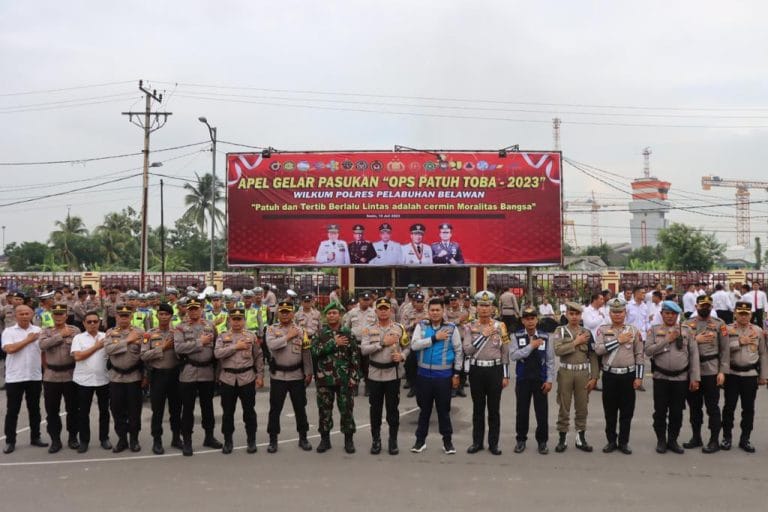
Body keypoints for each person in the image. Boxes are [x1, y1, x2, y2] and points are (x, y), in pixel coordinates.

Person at [645, 300, 700, 454]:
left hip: (681, 378)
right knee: (660, 411)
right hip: (661, 377)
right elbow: (648, 351)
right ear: (662, 314)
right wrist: (666, 340)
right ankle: (661, 440)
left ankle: (673, 440)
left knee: (677, 411)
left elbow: (694, 355)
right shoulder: (654, 330)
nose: (670, 316)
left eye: (673, 314)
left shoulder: (687, 331)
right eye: (667, 313)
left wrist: (695, 378)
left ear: (678, 315)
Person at [410, 297, 463, 454]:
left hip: (444, 376)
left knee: (443, 411)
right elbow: (414, 345)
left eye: (438, 310)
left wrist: (457, 374)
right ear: (428, 311)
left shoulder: (452, 328)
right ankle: (420, 441)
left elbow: (459, 351)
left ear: (443, 311)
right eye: (432, 310)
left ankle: (447, 442)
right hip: (424, 376)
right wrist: (434, 338)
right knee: (424, 410)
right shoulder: (421, 326)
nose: (434, 313)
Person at [360, 297, 409, 455]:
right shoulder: (368, 329)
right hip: (374, 374)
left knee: (392, 409)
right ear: (376, 311)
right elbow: (364, 350)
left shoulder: (399, 328)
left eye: (385, 308)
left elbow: (407, 347)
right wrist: (382, 343)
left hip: (392, 374)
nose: (383, 311)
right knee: (375, 409)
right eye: (380, 308)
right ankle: (376, 440)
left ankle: (392, 440)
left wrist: (402, 356)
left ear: (391, 310)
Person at [462, 291, 510, 455]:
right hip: (477, 370)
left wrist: (505, 375)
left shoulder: (500, 326)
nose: (484, 309)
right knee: (478, 408)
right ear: (476, 308)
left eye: (487, 305)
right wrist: (483, 335)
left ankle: (493, 443)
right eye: (481, 305)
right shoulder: (470, 326)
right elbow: (467, 350)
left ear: (493, 308)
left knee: (494, 409)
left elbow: (505, 352)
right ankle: (477, 442)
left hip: (495, 370)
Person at [173, 297, 222, 456]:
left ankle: (209, 437)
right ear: (186, 310)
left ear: (201, 309)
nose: (194, 311)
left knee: (207, 407)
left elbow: (217, 347)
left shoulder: (210, 326)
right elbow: (179, 348)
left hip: (207, 372)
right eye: (191, 308)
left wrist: (217, 373)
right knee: (187, 409)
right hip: (189, 371)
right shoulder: (180, 328)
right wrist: (199, 342)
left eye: (196, 308)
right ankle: (187, 440)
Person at [594, 299, 644, 454]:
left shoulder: (634, 331)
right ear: (610, 313)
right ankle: (611, 441)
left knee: (627, 412)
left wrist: (639, 377)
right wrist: (618, 340)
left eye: (620, 312)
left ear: (625, 313)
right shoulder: (602, 330)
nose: (617, 315)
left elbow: (639, 355)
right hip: (610, 376)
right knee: (610, 411)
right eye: (614, 312)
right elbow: (598, 350)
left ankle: (623, 442)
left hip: (628, 376)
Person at [312, 302, 361, 453]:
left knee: (346, 410)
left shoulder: (348, 333)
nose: (332, 315)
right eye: (329, 313)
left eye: (334, 313)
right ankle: (325, 440)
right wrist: (334, 343)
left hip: (344, 380)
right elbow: (314, 352)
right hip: (324, 380)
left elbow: (355, 357)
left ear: (340, 315)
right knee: (324, 410)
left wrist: (354, 378)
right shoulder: (319, 334)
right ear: (325, 316)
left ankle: (348, 440)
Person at [682, 294, 729, 453]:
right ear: (696, 306)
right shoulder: (687, 325)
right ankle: (696, 437)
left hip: (711, 370)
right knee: (694, 407)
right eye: (702, 305)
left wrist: (722, 371)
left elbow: (725, 350)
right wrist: (696, 339)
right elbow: (681, 346)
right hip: (693, 371)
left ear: (712, 307)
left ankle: (714, 440)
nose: (705, 308)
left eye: (708, 306)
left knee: (712, 408)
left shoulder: (719, 324)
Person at [265, 300, 314, 453]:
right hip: (278, 376)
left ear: (293, 313)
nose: (285, 314)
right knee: (275, 409)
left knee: (300, 408)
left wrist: (309, 371)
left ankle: (303, 437)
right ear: (278, 313)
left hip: (296, 376)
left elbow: (306, 353)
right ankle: (273, 439)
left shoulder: (301, 331)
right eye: (282, 312)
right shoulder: (271, 329)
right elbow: (271, 345)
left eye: (288, 312)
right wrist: (288, 336)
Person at [214, 307, 264, 454]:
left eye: (239, 319)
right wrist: (236, 347)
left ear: (244, 320)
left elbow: (259, 357)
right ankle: (228, 441)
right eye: (233, 319)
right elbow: (217, 353)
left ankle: (251, 440)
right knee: (227, 412)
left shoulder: (251, 336)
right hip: (228, 379)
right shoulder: (222, 336)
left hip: (247, 377)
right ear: (229, 320)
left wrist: (260, 376)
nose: (236, 322)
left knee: (249, 411)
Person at [552, 302, 600, 453]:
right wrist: (576, 342)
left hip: (582, 373)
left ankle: (581, 438)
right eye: (571, 314)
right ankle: (562, 438)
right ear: (566, 314)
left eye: (577, 314)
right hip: (566, 372)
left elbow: (592, 356)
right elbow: (557, 350)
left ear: (581, 316)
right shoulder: (560, 331)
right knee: (564, 406)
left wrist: (594, 377)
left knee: (582, 406)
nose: (574, 317)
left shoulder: (587, 333)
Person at [721, 301, 768, 452]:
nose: (743, 317)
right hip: (733, 374)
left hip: (750, 375)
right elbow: (722, 351)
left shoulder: (758, 330)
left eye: (746, 314)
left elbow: (763, 354)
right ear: (735, 313)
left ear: (751, 315)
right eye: (740, 313)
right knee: (729, 407)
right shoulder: (727, 329)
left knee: (748, 409)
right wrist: (739, 343)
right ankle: (727, 438)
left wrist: (763, 375)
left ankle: (745, 439)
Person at [2, 304, 48, 454]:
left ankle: (36, 437)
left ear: (32, 314)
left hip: (34, 375)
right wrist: (28, 340)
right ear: (15, 315)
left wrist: (46, 370)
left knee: (34, 408)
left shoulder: (38, 331)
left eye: (26, 313)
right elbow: (9, 349)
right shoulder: (9, 331)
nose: (24, 316)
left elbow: (43, 353)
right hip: (15, 376)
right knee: (13, 410)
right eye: (20, 313)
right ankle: (10, 441)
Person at [510, 306, 555, 454]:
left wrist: (549, 380)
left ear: (537, 320)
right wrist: (531, 346)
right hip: (523, 379)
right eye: (527, 319)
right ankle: (521, 440)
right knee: (521, 411)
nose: (530, 322)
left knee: (542, 413)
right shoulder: (516, 336)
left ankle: (542, 442)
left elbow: (550, 360)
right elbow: (514, 355)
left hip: (540, 380)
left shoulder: (545, 336)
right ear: (523, 321)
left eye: (533, 319)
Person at [140, 303, 182, 455]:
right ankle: (157, 440)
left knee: (176, 409)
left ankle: (177, 438)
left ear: (171, 316)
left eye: (167, 314)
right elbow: (143, 355)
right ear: (157, 316)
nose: (163, 317)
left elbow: (184, 353)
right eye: (161, 314)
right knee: (157, 410)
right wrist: (162, 348)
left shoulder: (177, 333)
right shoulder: (149, 334)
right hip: (157, 375)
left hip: (175, 375)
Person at [39, 302, 81, 453]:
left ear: (66, 315)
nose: (58, 317)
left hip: (71, 375)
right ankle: (55, 440)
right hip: (51, 376)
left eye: (61, 314)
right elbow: (42, 345)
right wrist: (60, 336)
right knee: (52, 411)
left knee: (73, 409)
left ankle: (73, 438)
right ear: (52, 315)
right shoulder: (46, 331)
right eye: (56, 314)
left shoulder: (75, 330)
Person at [104, 304, 145, 453]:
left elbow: (145, 355)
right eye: (121, 315)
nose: (123, 318)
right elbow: (108, 349)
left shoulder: (140, 332)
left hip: (134, 376)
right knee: (116, 409)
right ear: (116, 317)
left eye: (127, 316)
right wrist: (128, 341)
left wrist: (145, 376)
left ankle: (134, 439)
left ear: (131, 317)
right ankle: (122, 439)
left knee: (134, 410)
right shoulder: (110, 332)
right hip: (116, 378)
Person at [71, 311, 112, 453]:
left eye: (95, 321)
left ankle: (104, 438)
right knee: (83, 413)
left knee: (104, 412)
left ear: (99, 323)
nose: (93, 324)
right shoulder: (78, 338)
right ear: (84, 323)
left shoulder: (106, 336)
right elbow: (78, 356)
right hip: (83, 381)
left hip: (103, 380)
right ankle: (84, 440)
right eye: (89, 322)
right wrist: (96, 347)